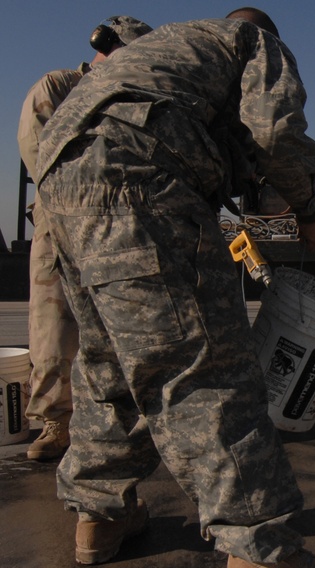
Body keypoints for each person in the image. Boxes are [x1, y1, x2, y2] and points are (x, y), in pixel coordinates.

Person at [34, 8, 315, 568]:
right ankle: (258, 551)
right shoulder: (250, 40)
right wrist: (309, 212)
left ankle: (101, 514)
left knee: (109, 364)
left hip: (59, 184)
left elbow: (233, 149)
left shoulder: (170, 52)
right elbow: (278, 135)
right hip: (139, 175)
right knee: (203, 362)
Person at [17, 16, 152, 462]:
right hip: (60, 223)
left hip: (116, 229)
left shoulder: (129, 98)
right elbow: (39, 154)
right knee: (54, 327)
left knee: (119, 329)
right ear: (108, 46)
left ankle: (115, 420)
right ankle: (56, 420)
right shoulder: (59, 88)